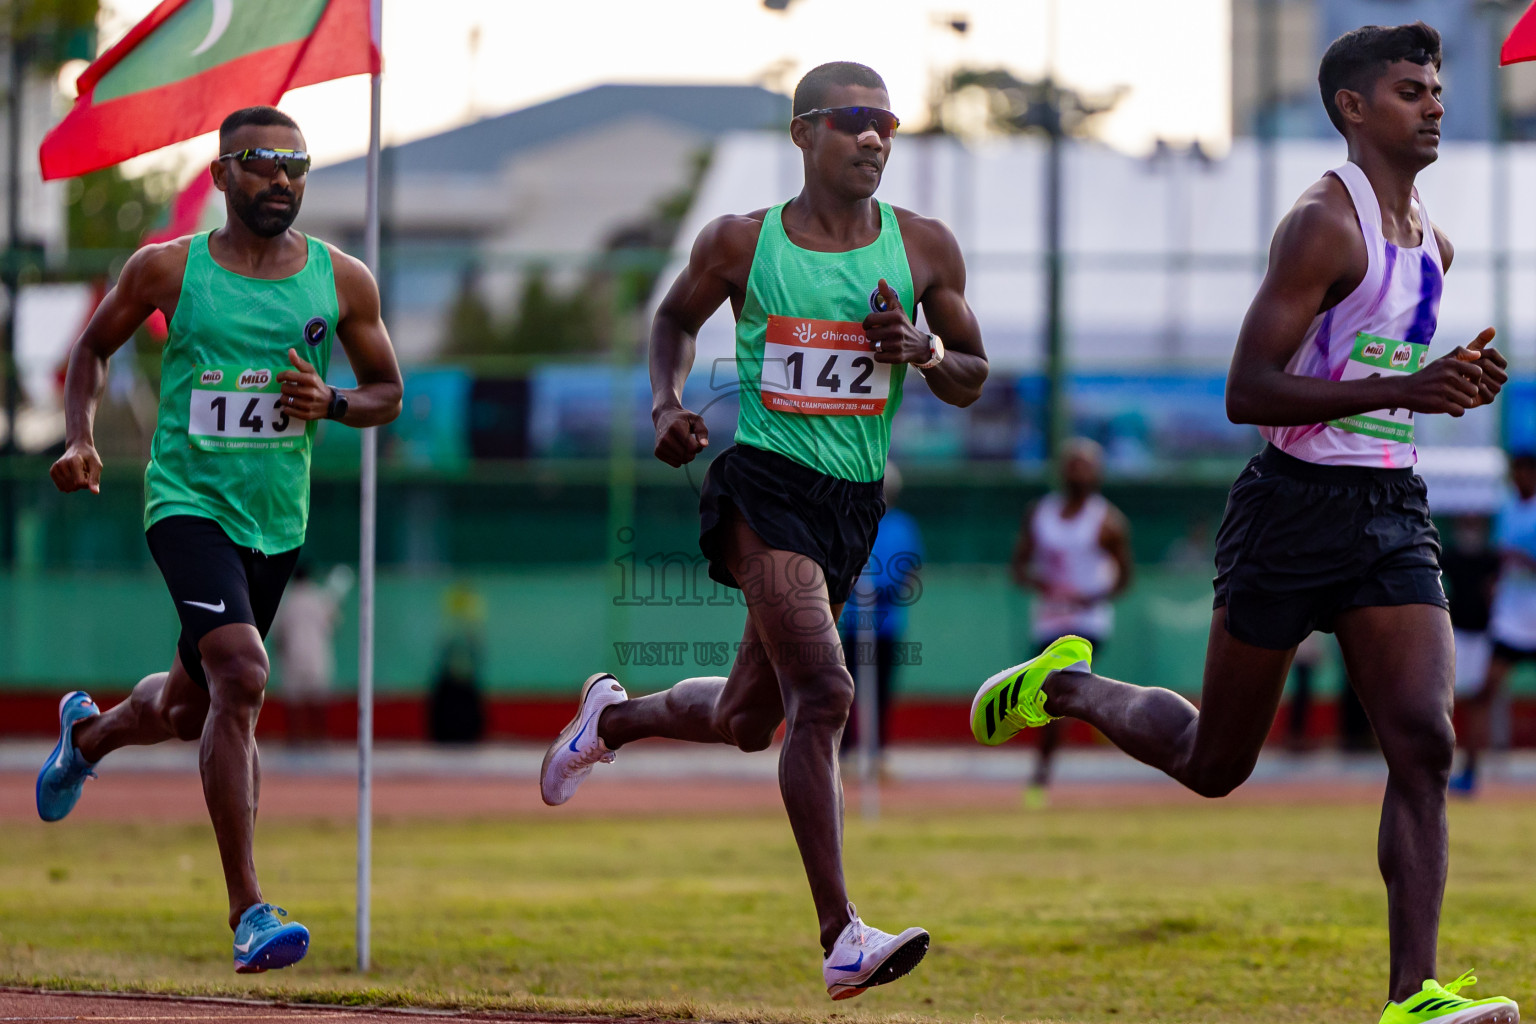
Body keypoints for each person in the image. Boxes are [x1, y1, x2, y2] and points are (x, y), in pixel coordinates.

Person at [969, 25, 1520, 1024]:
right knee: (1217, 763)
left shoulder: (1434, 241)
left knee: (1425, 743)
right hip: (1291, 508)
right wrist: (1408, 381)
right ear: (1354, 108)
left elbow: (1385, 386)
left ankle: (1414, 996)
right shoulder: (1323, 223)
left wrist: (1453, 385)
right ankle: (1073, 684)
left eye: (1438, 88)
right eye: (1411, 90)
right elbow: (1248, 390)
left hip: (1392, 508)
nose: (1435, 104)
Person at [539, 62, 988, 1000]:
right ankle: (842, 936)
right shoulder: (741, 244)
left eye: (888, 123)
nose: (875, 139)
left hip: (852, 505)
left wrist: (927, 348)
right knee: (824, 693)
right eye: (856, 121)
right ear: (804, 133)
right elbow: (672, 319)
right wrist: (665, 404)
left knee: (750, 718)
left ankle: (609, 718)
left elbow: (975, 375)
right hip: (763, 486)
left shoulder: (926, 248)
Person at [36, 107, 403, 974]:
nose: (282, 177)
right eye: (262, 161)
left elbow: (388, 389)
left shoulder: (342, 280)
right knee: (242, 675)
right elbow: (89, 350)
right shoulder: (169, 269)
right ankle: (249, 911)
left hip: (278, 524)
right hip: (187, 505)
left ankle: (86, 738)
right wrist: (80, 437)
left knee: (189, 707)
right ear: (221, 175)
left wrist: (336, 404)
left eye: (297, 164)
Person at [1008, 438, 1131, 804]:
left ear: (1097, 474)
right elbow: (1018, 566)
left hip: (1088, 621)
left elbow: (1125, 577)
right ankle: (1103, 724)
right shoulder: (1040, 514)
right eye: (1072, 464)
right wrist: (1041, 584)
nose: (1077, 471)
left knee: (1059, 689)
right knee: (1047, 696)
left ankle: (1041, 775)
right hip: (1047, 619)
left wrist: (1092, 596)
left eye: (1085, 465)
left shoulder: (1107, 521)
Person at [1452, 454, 1536, 795]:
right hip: (1510, 620)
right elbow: (1500, 556)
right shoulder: (1507, 509)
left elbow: (1515, 556)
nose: (1516, 478)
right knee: (1483, 694)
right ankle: (1470, 773)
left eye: (1521, 472)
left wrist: (1521, 561)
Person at [836, 461, 921, 766]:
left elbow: (910, 570)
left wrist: (884, 589)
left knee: (882, 688)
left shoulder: (903, 526)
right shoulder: (849, 518)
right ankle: (844, 752)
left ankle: (878, 752)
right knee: (845, 687)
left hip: (887, 622)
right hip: (851, 619)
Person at [270, 563, 344, 746]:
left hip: (293, 656)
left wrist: (280, 653)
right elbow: (334, 625)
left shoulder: (286, 601)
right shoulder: (320, 599)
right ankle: (319, 738)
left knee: (293, 702)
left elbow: (278, 634)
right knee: (318, 700)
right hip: (317, 655)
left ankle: (295, 740)